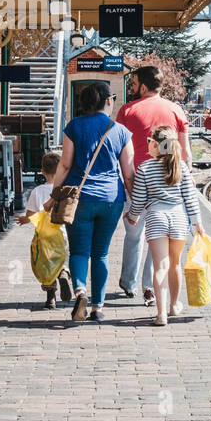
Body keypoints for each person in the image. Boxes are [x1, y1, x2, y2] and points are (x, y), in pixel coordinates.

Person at [51, 81, 134, 323]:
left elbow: (65, 164)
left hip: (80, 198)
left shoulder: (74, 126)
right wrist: (135, 203)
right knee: (101, 253)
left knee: (78, 251)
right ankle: (97, 307)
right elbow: (128, 172)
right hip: (111, 199)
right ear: (108, 101)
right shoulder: (120, 131)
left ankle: (80, 292)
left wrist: (54, 193)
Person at [116, 65, 192, 306]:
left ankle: (129, 283)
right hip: (168, 184)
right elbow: (185, 154)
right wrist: (182, 183)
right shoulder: (176, 110)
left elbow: (124, 154)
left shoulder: (127, 111)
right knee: (157, 237)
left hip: (139, 179)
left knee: (134, 234)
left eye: (134, 83)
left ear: (144, 86)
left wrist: (129, 185)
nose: (132, 87)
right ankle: (149, 286)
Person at [127, 124, 203, 327]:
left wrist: (132, 216)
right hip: (178, 217)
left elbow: (139, 199)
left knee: (160, 266)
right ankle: (174, 305)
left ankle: (160, 314)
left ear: (156, 145)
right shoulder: (181, 167)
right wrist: (197, 223)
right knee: (175, 265)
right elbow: (190, 198)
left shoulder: (144, 168)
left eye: (150, 142)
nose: (148, 145)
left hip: (156, 218)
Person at [17, 149, 73, 309]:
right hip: (61, 234)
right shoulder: (63, 190)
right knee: (62, 259)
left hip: (43, 238)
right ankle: (64, 273)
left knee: (46, 266)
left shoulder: (37, 191)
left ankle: (50, 298)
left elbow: (30, 215)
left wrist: (23, 219)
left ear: (42, 171)